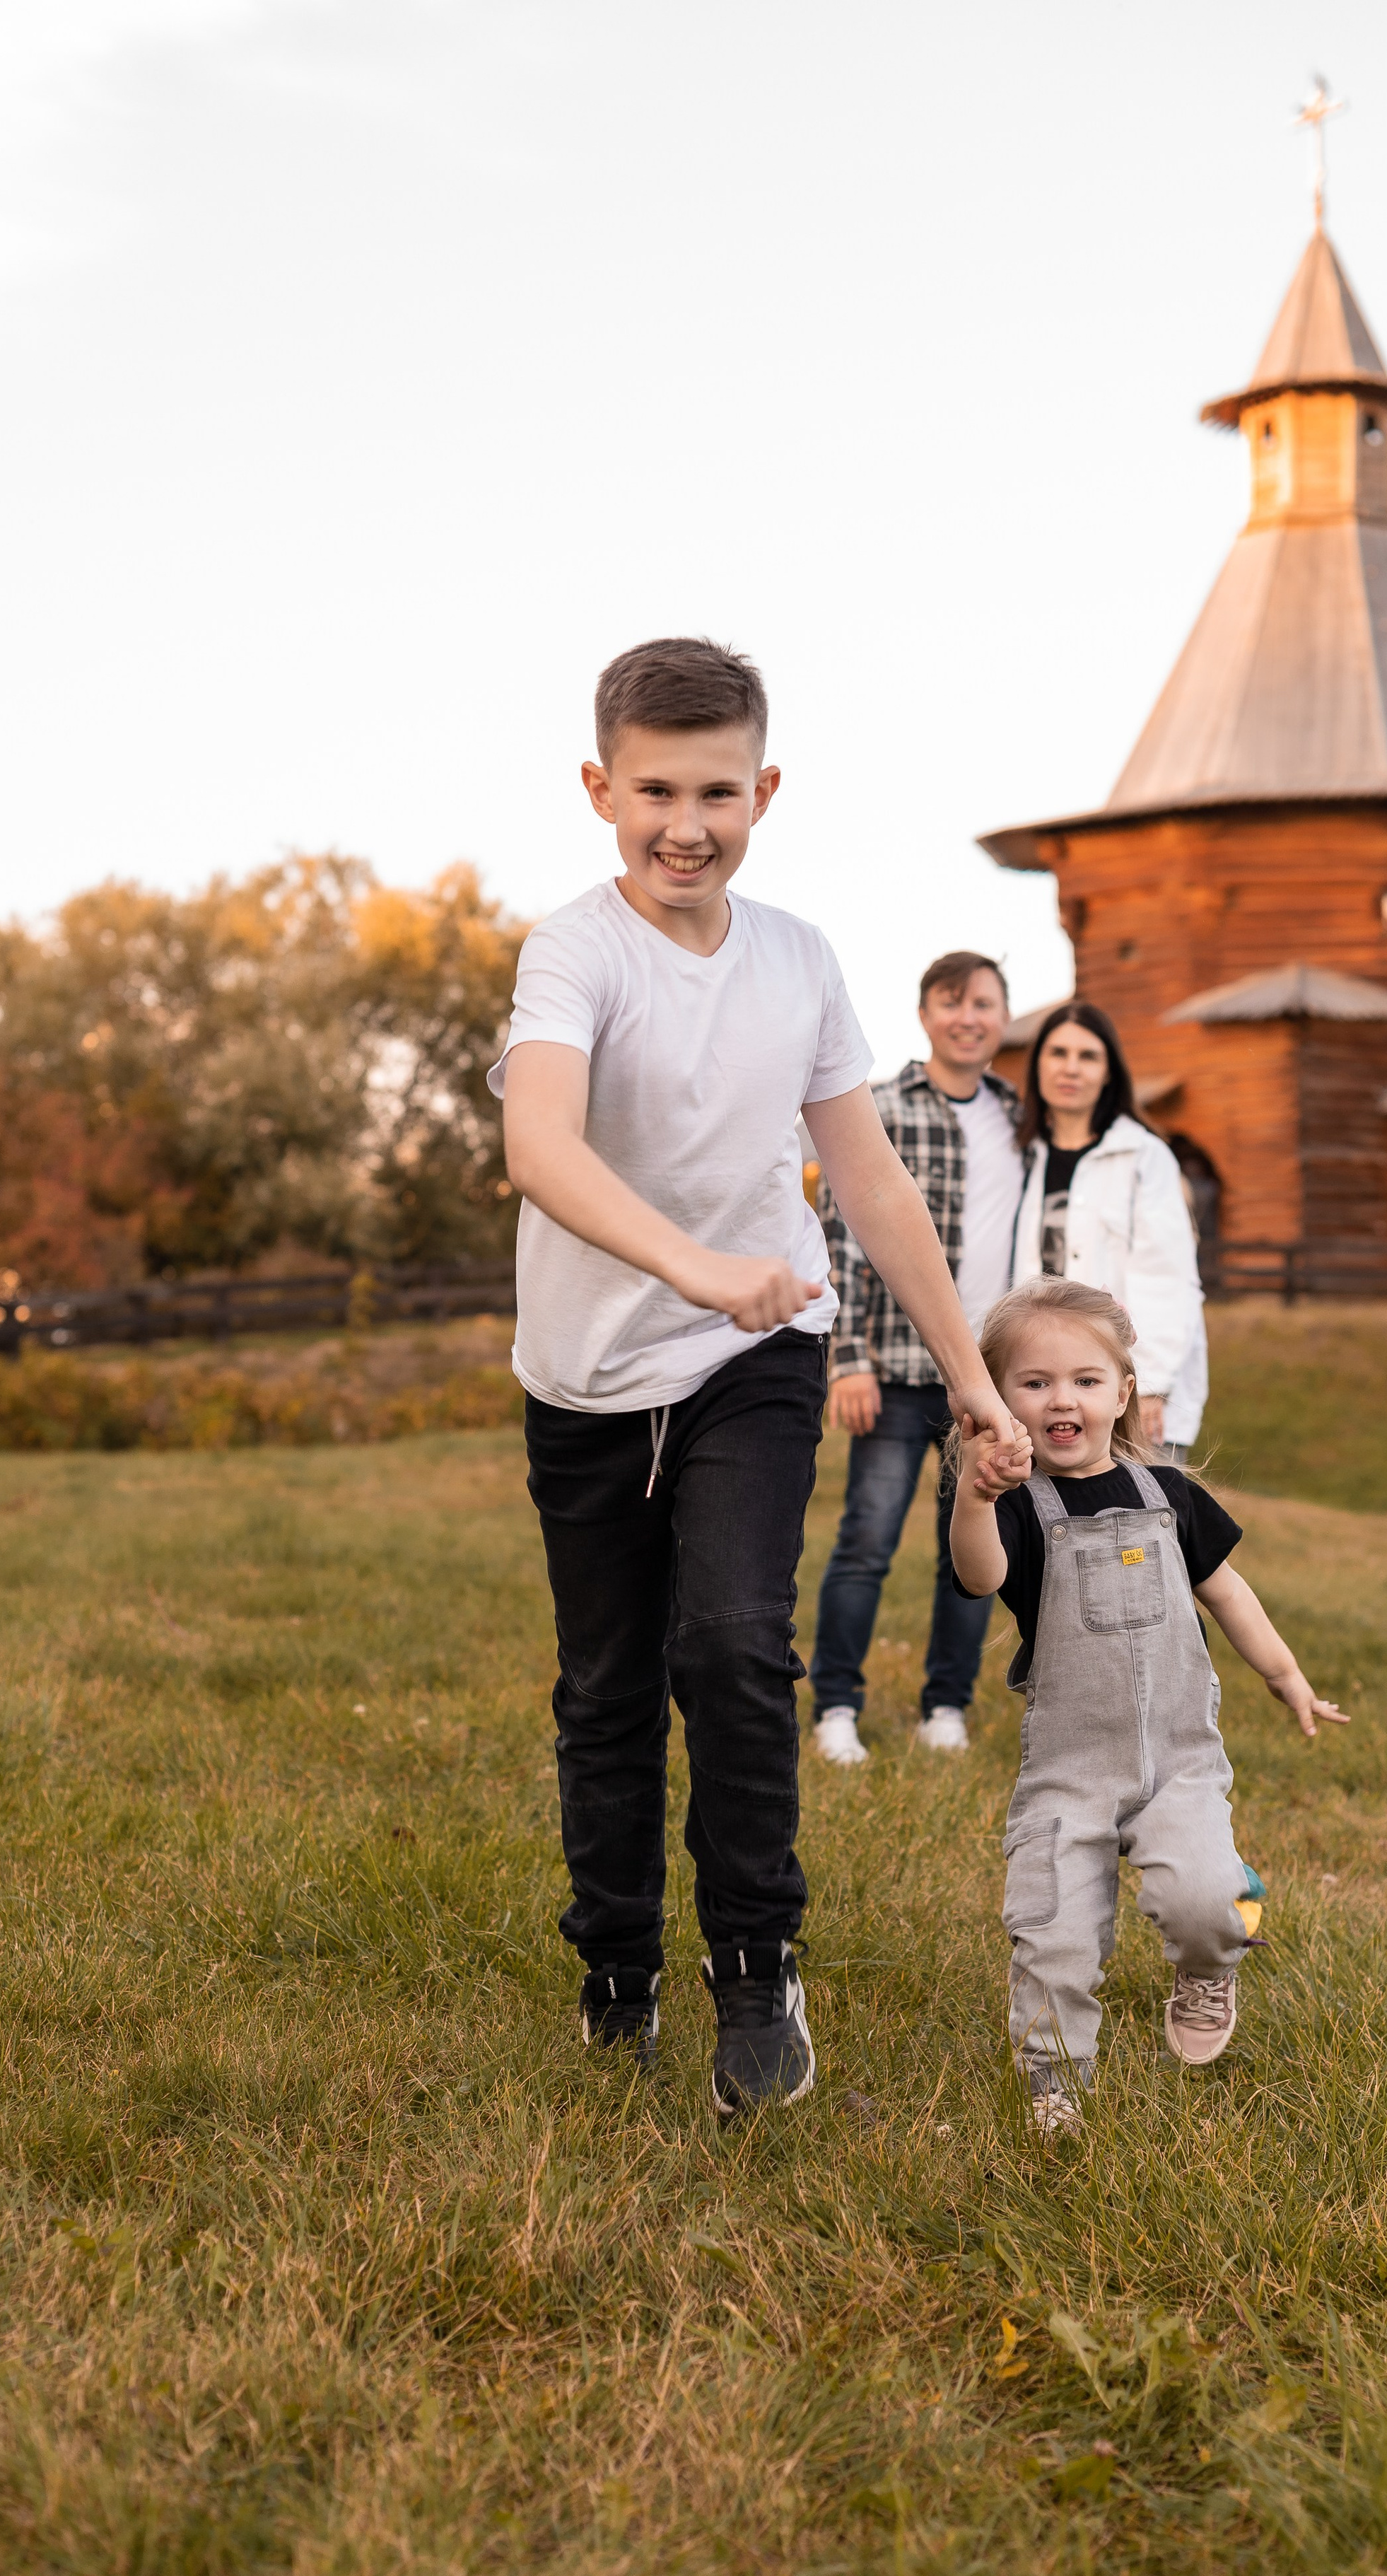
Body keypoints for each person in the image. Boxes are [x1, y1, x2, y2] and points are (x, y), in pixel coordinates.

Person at [489, 637, 1024, 2121]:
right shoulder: (574, 951)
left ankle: (754, 1967)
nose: (685, 822)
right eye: (653, 788)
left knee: (728, 1646)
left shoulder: (798, 957)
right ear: (599, 788)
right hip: (591, 1378)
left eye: (715, 790)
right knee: (604, 1689)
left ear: (763, 790)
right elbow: (538, 1147)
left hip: (757, 1355)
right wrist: (694, 1264)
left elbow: (866, 1178)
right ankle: (615, 1970)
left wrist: (970, 1375)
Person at [950, 1279, 1347, 2133]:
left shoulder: (1169, 1494)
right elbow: (979, 1576)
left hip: (1178, 1762)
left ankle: (1212, 1962)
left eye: (1086, 1380)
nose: (1062, 1399)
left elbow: (1228, 1593)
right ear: (999, 1400)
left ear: (1121, 1394)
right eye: (1034, 1382)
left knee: (1207, 1902)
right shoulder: (1018, 1508)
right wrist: (973, 1494)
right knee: (1051, 1930)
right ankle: (1056, 2081)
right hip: (1071, 1770)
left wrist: (1286, 1676)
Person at [808, 950, 1024, 1764]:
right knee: (866, 1538)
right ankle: (835, 1706)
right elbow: (843, 1232)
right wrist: (848, 1357)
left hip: (990, 1378)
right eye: (951, 1001)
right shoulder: (882, 1106)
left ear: (1003, 1016)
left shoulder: (1016, 1118)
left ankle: (946, 1705)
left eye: (984, 1003)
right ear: (925, 1013)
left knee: (971, 1548)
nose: (968, 1016)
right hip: (897, 1368)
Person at [1010, 1001, 1207, 1456]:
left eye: (1088, 1056)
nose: (1071, 1068)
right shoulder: (1023, 1157)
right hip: (1047, 1391)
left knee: (1142, 1521)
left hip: (1130, 1392)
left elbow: (1167, 1276)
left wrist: (1152, 1383)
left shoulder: (1144, 1156)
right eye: (1058, 1053)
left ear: (1108, 1072)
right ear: (1038, 1063)